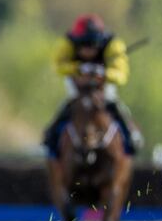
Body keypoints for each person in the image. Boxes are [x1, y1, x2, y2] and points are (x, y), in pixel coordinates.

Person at [43, 14, 141, 156]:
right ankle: (51, 137)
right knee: (69, 104)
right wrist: (78, 68)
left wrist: (104, 73)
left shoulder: (114, 45)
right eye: (83, 45)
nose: (88, 50)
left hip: (102, 85)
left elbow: (122, 75)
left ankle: (131, 135)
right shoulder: (66, 43)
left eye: (92, 44)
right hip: (78, 84)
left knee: (113, 103)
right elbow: (57, 66)